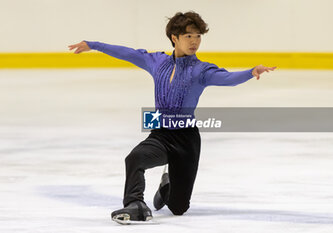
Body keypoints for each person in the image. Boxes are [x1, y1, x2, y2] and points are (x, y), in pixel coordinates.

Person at [68, 11, 276, 224]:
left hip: (186, 140)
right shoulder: (157, 62)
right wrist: (93, 45)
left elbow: (228, 78)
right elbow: (128, 53)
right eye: (188, 36)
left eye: (198, 37)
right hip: (161, 134)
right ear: (174, 38)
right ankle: (134, 204)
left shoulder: (201, 70)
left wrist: (251, 72)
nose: (194, 42)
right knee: (135, 158)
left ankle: (166, 186)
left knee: (178, 208)